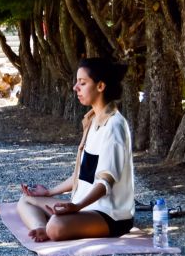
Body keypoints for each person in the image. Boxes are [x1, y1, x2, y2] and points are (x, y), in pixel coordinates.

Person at [17, 57, 134, 242]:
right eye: (77, 82)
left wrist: (76, 207)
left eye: (82, 83)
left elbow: (105, 184)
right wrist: (49, 193)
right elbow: (84, 175)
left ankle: (49, 227)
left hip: (110, 216)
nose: (75, 88)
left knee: (56, 226)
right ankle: (41, 228)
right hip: (82, 207)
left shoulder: (114, 126)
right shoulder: (92, 120)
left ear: (100, 86)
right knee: (25, 200)